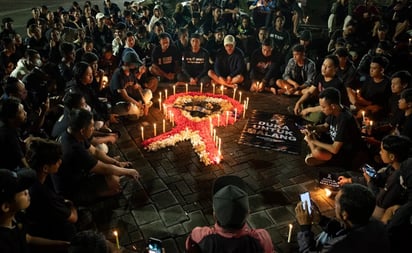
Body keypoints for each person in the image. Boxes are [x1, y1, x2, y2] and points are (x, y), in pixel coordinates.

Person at [55, 108, 140, 205]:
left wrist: (116, 163)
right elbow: (103, 168)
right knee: (113, 180)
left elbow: (95, 151)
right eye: (91, 127)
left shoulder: (73, 133)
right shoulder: (74, 149)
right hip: (71, 189)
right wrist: (127, 172)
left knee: (113, 172)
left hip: (79, 175)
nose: (93, 129)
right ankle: (96, 196)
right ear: (82, 130)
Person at [185, 175, 275, 253]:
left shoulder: (199, 236)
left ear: (214, 215)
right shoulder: (261, 239)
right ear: (248, 213)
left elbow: (190, 249)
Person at [295, 183, 391, 252]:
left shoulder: (337, 246)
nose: (334, 206)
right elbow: (346, 229)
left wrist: (305, 228)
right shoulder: (377, 225)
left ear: (345, 214)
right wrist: (321, 220)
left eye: (336, 203)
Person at [338, 134, 412, 219]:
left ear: (392, 156)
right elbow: (379, 177)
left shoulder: (397, 178)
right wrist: (349, 180)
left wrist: (370, 181)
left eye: (382, 150)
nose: (379, 152)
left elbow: (379, 201)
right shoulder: (392, 167)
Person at [0, 168, 70, 253]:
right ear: (6, 207)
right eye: (21, 192)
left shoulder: (15, 216)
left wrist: (62, 245)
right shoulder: (4, 243)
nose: (27, 191)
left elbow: (27, 238)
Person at [24, 137, 78, 241]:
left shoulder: (30, 176)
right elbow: (73, 218)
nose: (60, 162)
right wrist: (72, 205)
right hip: (43, 230)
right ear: (45, 168)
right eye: (57, 160)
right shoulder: (43, 194)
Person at [301, 87, 367, 169]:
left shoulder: (345, 120)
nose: (322, 109)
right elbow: (325, 126)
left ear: (332, 106)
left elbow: (334, 149)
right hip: (333, 143)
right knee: (312, 136)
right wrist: (312, 128)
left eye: (323, 107)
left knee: (317, 152)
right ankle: (318, 155)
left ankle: (319, 157)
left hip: (345, 153)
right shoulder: (334, 112)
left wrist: (312, 141)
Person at [110, 51, 153, 120]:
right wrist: (140, 105)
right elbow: (125, 97)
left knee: (148, 92)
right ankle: (137, 112)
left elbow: (137, 88)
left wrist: (144, 103)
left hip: (133, 99)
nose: (135, 66)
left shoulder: (131, 72)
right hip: (121, 102)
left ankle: (139, 111)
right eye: (134, 64)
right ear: (127, 63)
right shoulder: (118, 75)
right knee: (131, 108)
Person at [0, 97, 29, 170]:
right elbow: (23, 164)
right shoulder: (9, 135)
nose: (25, 113)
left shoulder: (10, 128)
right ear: (11, 118)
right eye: (22, 112)